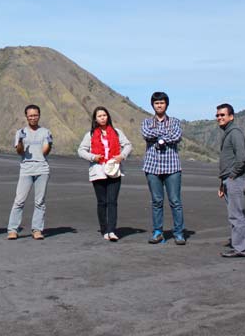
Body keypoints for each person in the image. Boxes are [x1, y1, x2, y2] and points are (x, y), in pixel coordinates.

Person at [77, 106, 133, 241]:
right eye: (99, 116)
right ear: (95, 119)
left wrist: (122, 156)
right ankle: (104, 229)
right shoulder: (90, 134)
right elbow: (81, 150)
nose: (102, 118)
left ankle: (112, 230)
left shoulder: (117, 132)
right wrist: (92, 157)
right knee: (102, 202)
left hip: (114, 170)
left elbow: (128, 145)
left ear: (108, 117)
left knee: (112, 201)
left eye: (104, 115)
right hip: (98, 171)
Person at [141, 91, 185, 245]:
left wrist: (159, 137)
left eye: (162, 103)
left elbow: (177, 136)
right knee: (156, 201)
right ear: (152, 105)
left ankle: (179, 232)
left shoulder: (175, 121)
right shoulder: (146, 122)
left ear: (166, 104)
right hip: (152, 167)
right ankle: (158, 231)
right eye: (156, 103)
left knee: (175, 201)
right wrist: (165, 136)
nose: (159, 105)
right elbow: (146, 134)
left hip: (172, 167)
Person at [7, 104, 53, 240]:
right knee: (19, 200)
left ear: (39, 115)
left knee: (40, 201)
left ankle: (37, 230)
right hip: (26, 169)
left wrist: (49, 144)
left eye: (35, 115)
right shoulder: (20, 132)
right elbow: (20, 152)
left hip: (42, 168)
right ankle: (12, 230)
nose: (33, 117)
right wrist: (21, 140)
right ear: (26, 116)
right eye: (30, 115)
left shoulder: (46, 132)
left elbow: (45, 152)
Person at [216, 103, 245, 258]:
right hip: (230, 180)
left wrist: (231, 177)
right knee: (239, 214)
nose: (219, 118)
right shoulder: (228, 132)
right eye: (217, 115)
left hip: (235, 179)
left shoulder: (234, 133)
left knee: (236, 215)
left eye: (222, 115)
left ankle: (239, 248)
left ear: (231, 116)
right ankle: (244, 246)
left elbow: (241, 158)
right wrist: (222, 183)